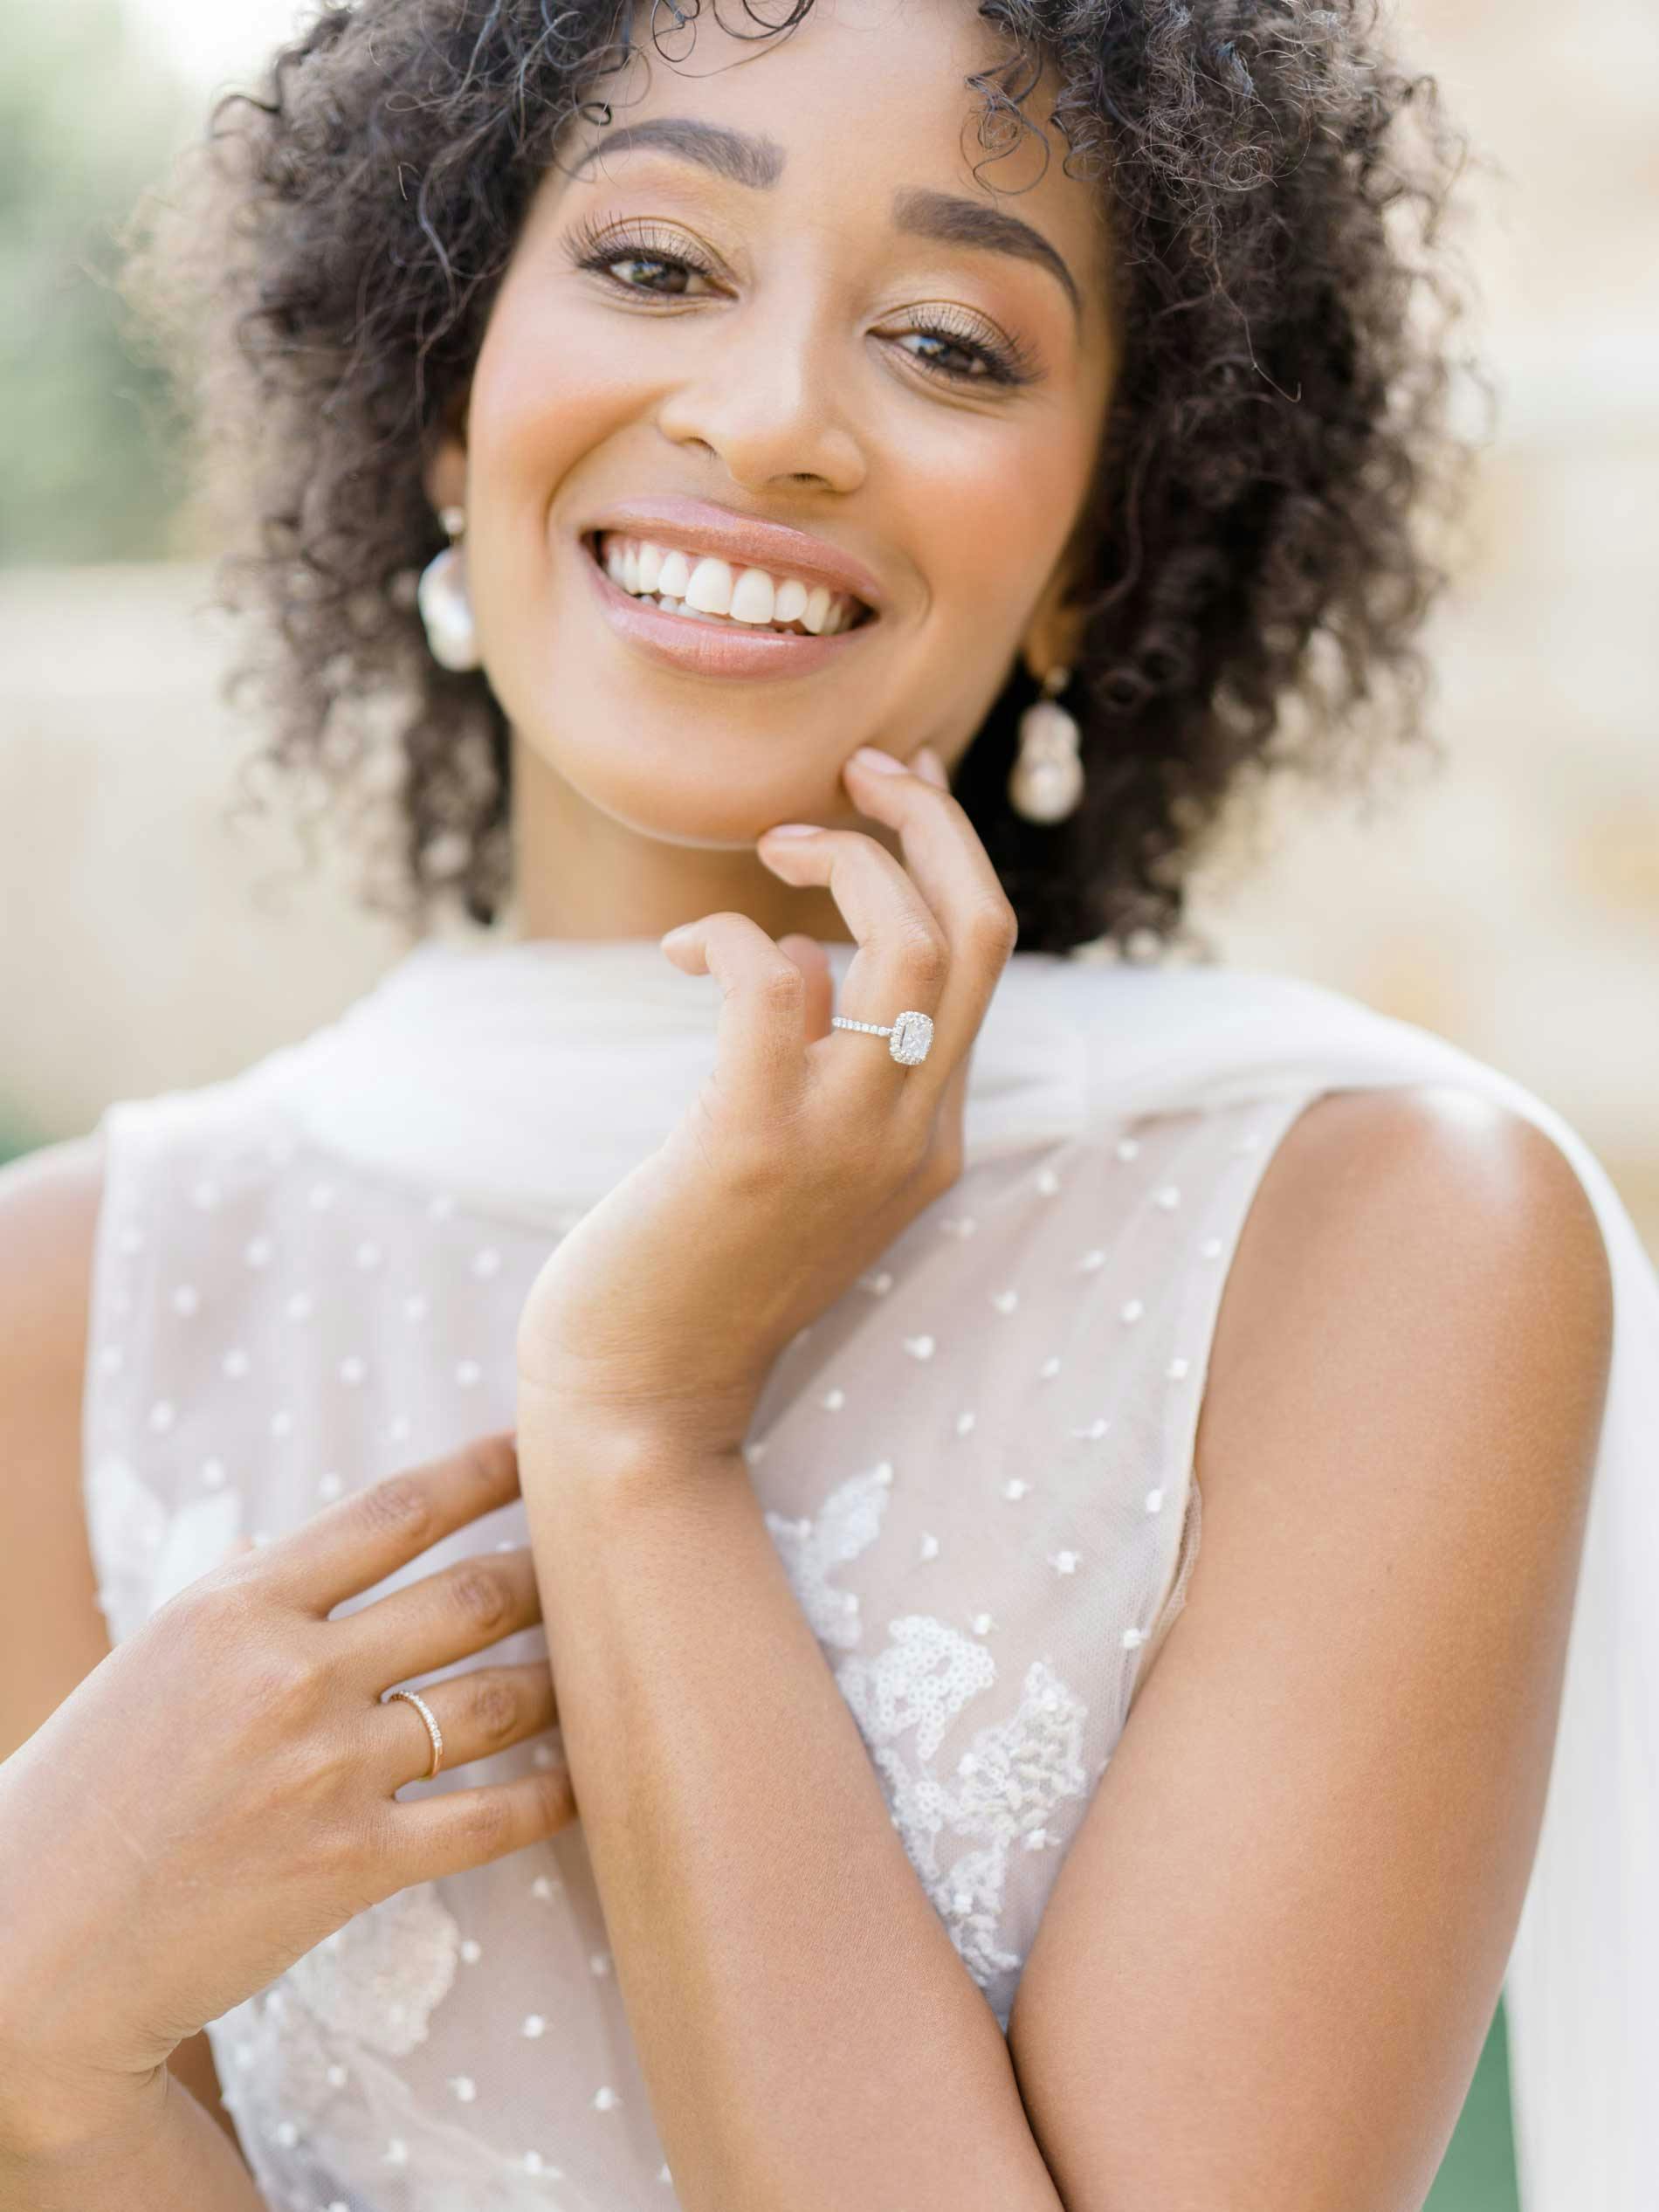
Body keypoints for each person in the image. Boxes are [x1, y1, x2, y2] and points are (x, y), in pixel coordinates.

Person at [0, 2, 1652, 2209]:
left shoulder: (1368, 1229)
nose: (769, 420)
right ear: (440, 399)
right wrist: (44, 2044)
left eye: (956, 344)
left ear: (1092, 544)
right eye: (657, 265)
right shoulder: (72, 1306)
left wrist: (633, 1433)